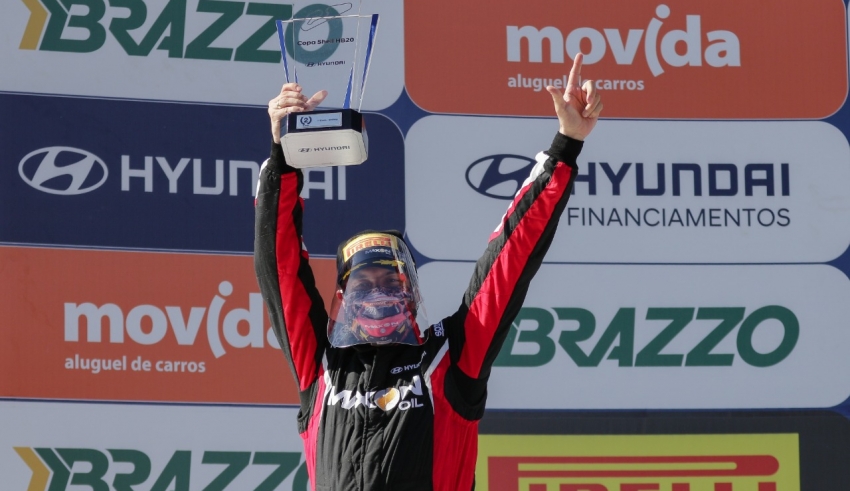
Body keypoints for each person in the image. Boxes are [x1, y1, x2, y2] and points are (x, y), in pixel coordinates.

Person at [254, 53, 602, 491]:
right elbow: (279, 268)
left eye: (390, 282)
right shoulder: (323, 366)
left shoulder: (448, 356)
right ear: (344, 299)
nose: (378, 294)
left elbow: (508, 262)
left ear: (411, 292)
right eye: (364, 284)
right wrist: (283, 157)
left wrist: (566, 146)